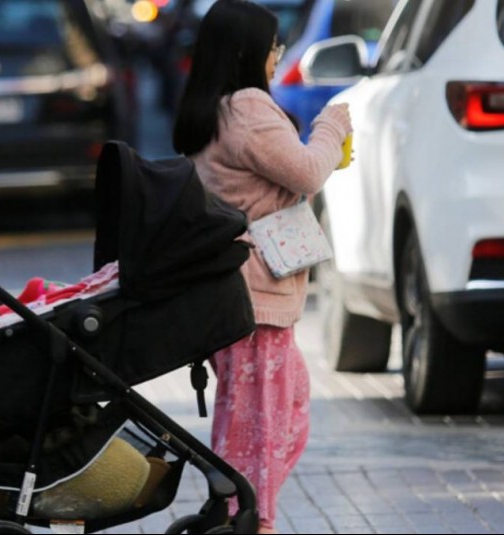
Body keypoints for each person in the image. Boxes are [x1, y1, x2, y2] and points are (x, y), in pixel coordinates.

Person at [171, 1, 351, 533]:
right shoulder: (247, 108)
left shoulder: (215, 106)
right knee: (263, 423)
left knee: (273, 412)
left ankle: (242, 512)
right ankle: (251, 519)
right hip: (255, 295)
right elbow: (307, 173)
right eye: (274, 48)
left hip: (242, 291)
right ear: (250, 52)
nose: (278, 58)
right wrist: (330, 124)